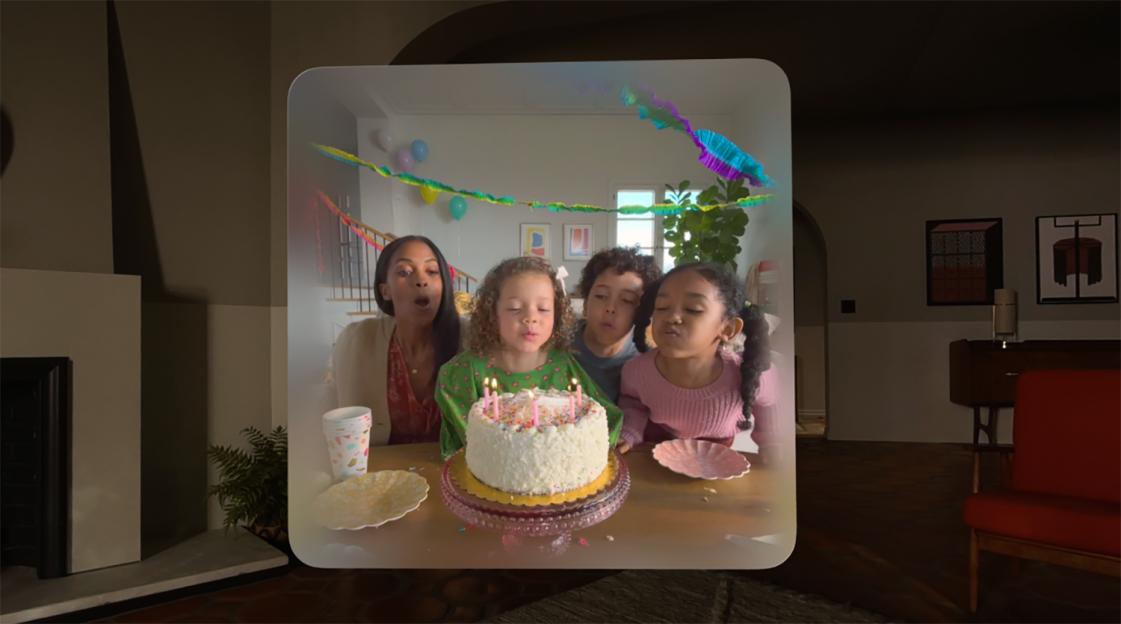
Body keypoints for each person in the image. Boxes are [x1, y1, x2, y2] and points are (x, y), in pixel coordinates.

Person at [436, 256, 623, 459]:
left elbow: (604, 417)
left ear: (557, 314)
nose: (531, 318)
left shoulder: (561, 364)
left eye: (543, 309)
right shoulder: (462, 373)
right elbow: (479, 445)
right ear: (492, 313)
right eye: (515, 308)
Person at [617, 262, 777, 453]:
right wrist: (629, 432)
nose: (672, 317)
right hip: (654, 449)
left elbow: (769, 404)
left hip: (715, 457)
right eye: (662, 307)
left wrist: (771, 443)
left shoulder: (750, 373)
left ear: (728, 329)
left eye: (693, 309)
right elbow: (633, 404)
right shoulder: (636, 371)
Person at [330, 235, 462, 446]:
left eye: (432, 271)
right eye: (404, 272)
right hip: (381, 465)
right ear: (386, 291)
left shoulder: (471, 339)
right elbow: (339, 419)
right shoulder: (357, 339)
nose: (421, 280)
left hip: (455, 465)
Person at [572, 247, 662, 402]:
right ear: (586, 302)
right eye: (601, 296)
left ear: (642, 312)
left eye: (627, 300)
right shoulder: (557, 345)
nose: (610, 308)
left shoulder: (647, 364)